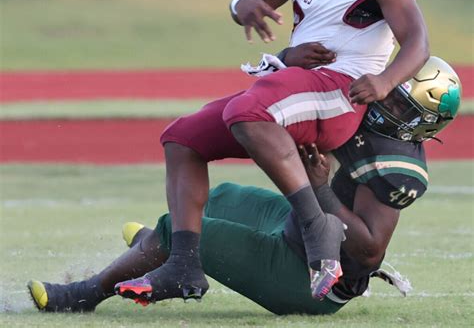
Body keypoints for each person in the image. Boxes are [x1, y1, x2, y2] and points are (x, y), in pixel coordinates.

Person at [143, 0, 429, 302]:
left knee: (248, 110)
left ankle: (318, 227)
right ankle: (184, 264)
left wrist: (386, 80)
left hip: (341, 90)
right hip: (295, 82)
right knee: (181, 138)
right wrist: (242, 5)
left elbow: (417, 42)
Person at [27, 56, 461, 314]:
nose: (381, 96)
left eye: (396, 101)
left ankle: (88, 292)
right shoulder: (362, 104)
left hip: (310, 278)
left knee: (180, 234)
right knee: (215, 200)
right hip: (295, 225)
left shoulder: (397, 167)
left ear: (419, 121)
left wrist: (322, 189)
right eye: (388, 88)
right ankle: (151, 247)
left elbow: (368, 250)